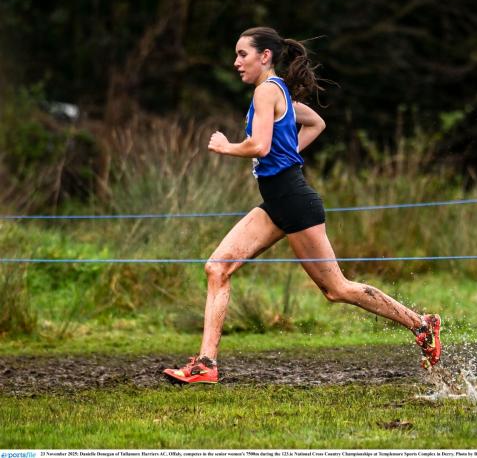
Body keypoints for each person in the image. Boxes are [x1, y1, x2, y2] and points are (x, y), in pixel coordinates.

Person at [163, 27, 441, 384]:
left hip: (294, 202)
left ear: (265, 56)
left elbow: (260, 146)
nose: (236, 62)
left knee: (336, 289)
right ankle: (206, 365)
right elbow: (315, 123)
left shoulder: (267, 91)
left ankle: (422, 325)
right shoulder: (278, 93)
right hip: (276, 203)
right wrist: (288, 153)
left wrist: (226, 146)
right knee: (217, 268)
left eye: (242, 54)